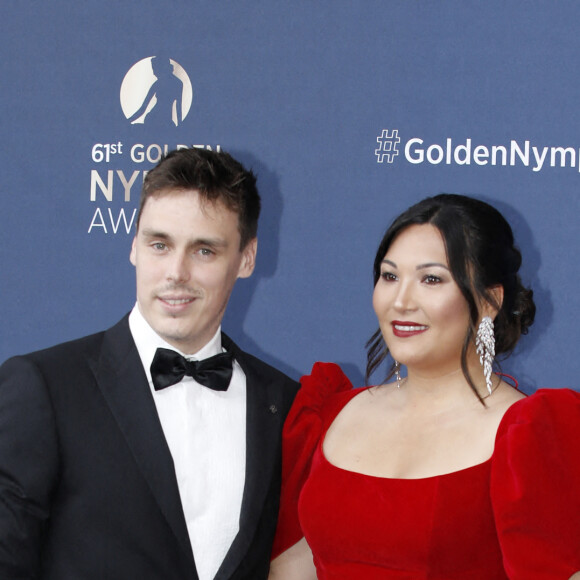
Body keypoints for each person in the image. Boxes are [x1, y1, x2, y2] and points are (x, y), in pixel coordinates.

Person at [0, 147, 299, 580]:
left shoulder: (284, 405)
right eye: (159, 244)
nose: (176, 272)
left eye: (204, 251)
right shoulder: (45, 387)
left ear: (247, 258)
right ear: (134, 246)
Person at [269, 194, 580, 579]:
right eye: (389, 276)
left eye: (431, 279)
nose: (401, 301)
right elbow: (292, 569)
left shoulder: (529, 437)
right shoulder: (328, 414)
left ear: (488, 300)